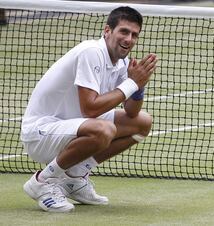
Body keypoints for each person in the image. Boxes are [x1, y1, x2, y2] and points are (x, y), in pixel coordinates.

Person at [21, 6, 157, 213]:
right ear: (107, 31)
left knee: (142, 123)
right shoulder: (91, 52)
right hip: (41, 133)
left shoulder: (122, 62)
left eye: (134, 35)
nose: (129, 39)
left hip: (72, 128)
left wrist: (139, 85)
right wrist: (131, 83)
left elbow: (131, 112)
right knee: (104, 130)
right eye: (124, 31)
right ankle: (43, 180)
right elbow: (90, 109)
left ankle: (74, 177)